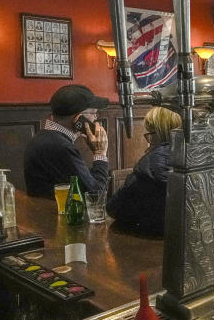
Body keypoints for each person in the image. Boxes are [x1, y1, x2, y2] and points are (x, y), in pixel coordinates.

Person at [106, 107, 182, 237]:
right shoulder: (210, 154)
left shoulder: (149, 166)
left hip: (150, 244)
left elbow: (114, 208)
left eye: (149, 134)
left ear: (158, 134)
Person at [23, 84, 109, 197]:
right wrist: (100, 154)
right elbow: (95, 195)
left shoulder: (42, 137)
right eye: (93, 113)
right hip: (52, 213)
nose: (95, 118)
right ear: (78, 119)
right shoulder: (61, 147)